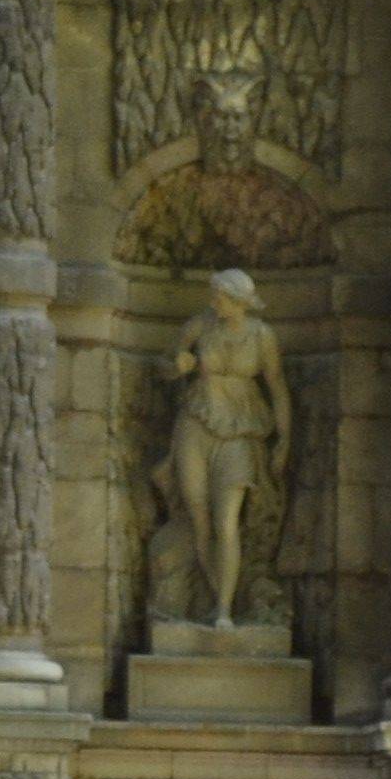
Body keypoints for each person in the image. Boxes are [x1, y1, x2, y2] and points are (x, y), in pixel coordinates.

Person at [162, 267, 291, 629]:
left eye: (219, 297)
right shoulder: (198, 327)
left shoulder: (262, 336)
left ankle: (223, 610)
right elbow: (166, 366)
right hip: (196, 423)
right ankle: (221, 597)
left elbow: (277, 388)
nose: (212, 302)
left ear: (238, 301)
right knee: (199, 519)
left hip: (241, 429)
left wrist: (284, 439)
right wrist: (178, 366)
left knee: (226, 522)